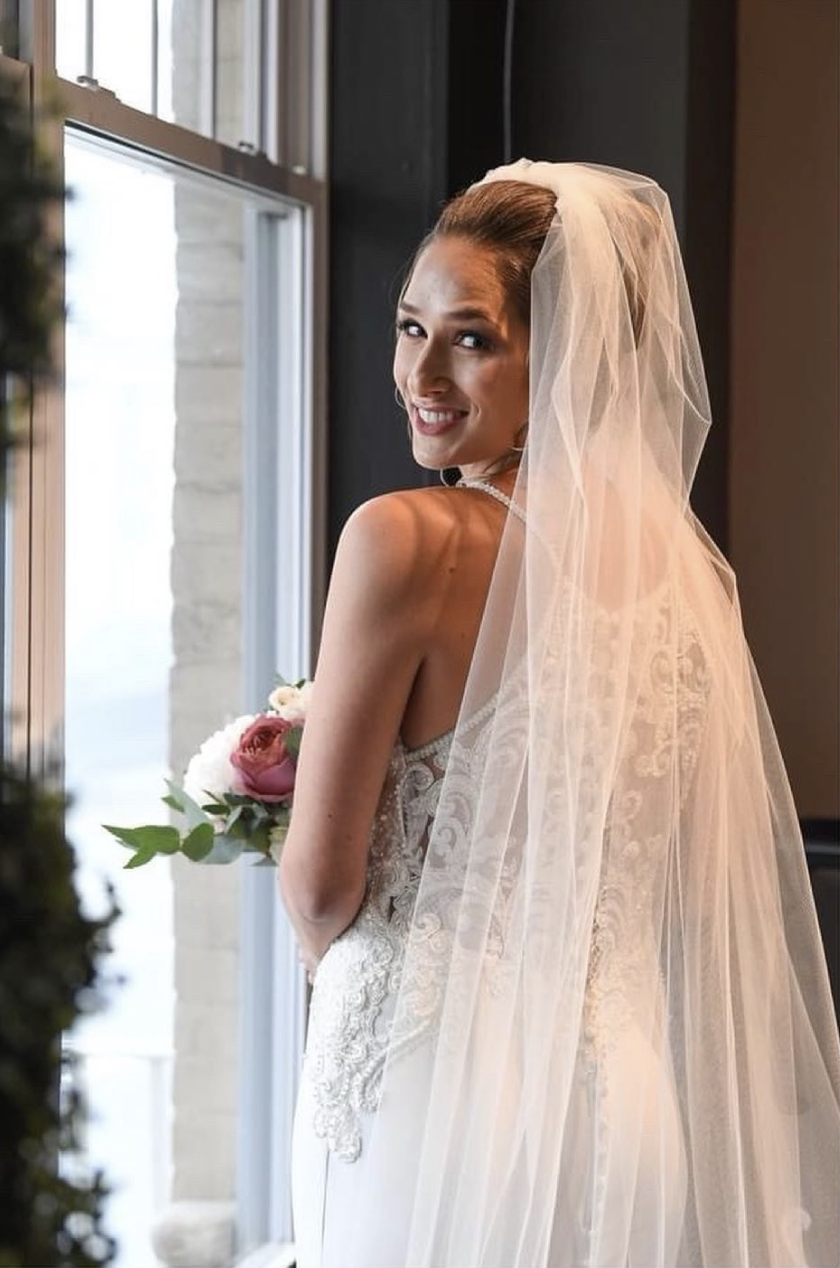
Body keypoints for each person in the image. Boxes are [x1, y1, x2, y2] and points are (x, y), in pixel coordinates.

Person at [279, 161, 840, 1268]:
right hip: (623, 1103)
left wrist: (328, 958)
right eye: (410, 327)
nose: (421, 373)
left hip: (423, 1081)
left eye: (472, 339)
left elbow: (322, 884)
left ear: (567, 352)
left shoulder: (404, 539)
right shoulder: (690, 577)